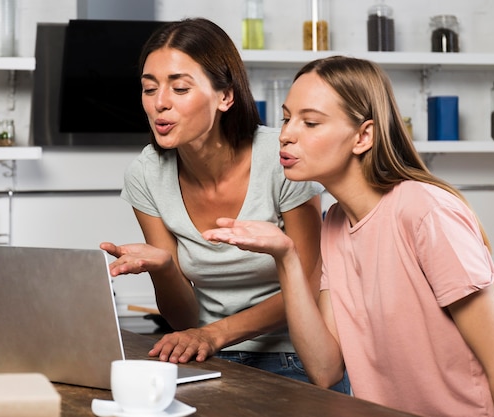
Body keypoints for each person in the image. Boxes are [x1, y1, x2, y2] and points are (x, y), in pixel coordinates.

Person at [202, 55, 494, 417]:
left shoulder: (426, 211)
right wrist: (286, 257)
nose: (286, 134)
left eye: (310, 122)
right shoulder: (335, 222)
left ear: (363, 135)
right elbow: (325, 370)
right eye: (287, 118)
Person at [100, 18, 350, 392]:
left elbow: (309, 285)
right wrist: (165, 269)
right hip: (206, 357)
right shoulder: (146, 174)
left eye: (180, 88)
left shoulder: (283, 158)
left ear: (225, 96)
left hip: (293, 355)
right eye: (149, 89)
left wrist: (215, 334)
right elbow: (183, 317)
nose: (160, 103)